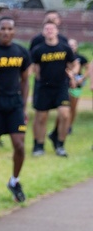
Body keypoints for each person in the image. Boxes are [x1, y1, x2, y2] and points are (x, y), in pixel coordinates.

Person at [0, 17, 30, 203]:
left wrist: (23, 105)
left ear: (14, 31)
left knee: (19, 144)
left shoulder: (21, 52)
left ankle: (14, 181)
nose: (6, 32)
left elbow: (25, 80)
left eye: (10, 28)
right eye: (3, 28)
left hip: (14, 103)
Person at [30, 19, 77, 158]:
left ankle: (60, 145)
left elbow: (74, 63)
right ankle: (39, 145)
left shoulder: (64, 48)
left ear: (57, 31)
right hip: (44, 88)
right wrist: (38, 78)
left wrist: (72, 74)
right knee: (41, 118)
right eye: (47, 29)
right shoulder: (38, 50)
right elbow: (35, 68)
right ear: (43, 32)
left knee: (64, 114)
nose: (50, 31)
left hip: (60, 87)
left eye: (52, 28)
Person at [65, 38, 88, 135]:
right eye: (70, 45)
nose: (72, 47)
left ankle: (69, 126)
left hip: (77, 85)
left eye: (73, 45)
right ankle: (63, 125)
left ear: (76, 46)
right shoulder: (63, 57)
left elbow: (88, 69)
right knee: (65, 106)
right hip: (65, 83)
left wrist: (82, 78)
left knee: (73, 107)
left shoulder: (81, 58)